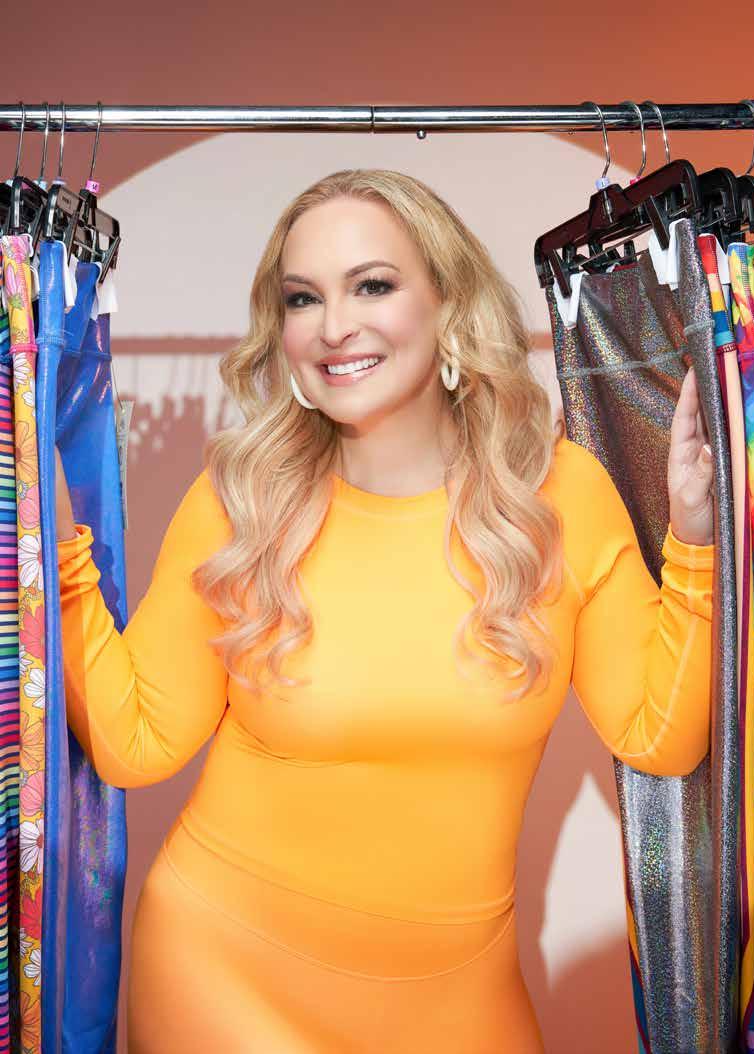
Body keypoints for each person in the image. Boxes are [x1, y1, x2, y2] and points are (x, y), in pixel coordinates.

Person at [55, 168, 715, 1054]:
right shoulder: (243, 502)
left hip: (461, 1003)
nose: (333, 326)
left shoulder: (558, 495)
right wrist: (55, 548)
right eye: (303, 298)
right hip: (224, 975)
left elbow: (659, 736)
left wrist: (695, 540)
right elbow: (135, 745)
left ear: (447, 304)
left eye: (371, 285)